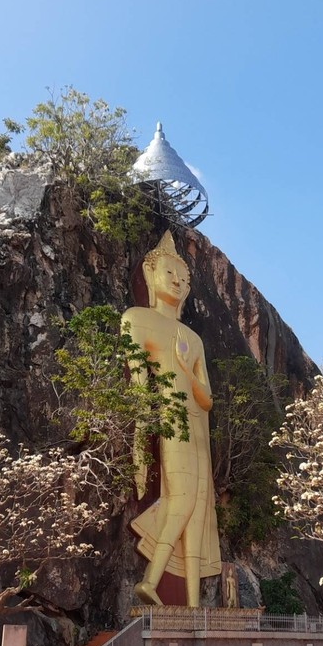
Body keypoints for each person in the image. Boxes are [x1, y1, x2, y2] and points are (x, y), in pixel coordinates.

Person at [122, 231, 221, 607]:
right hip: (173, 419)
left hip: (198, 428)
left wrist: (186, 369)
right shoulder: (137, 319)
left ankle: (194, 606)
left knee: (198, 508)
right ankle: (150, 580)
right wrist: (139, 439)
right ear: (151, 275)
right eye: (169, 273)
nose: (177, 282)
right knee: (181, 499)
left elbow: (207, 398)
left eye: (183, 278)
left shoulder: (193, 339)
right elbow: (138, 384)